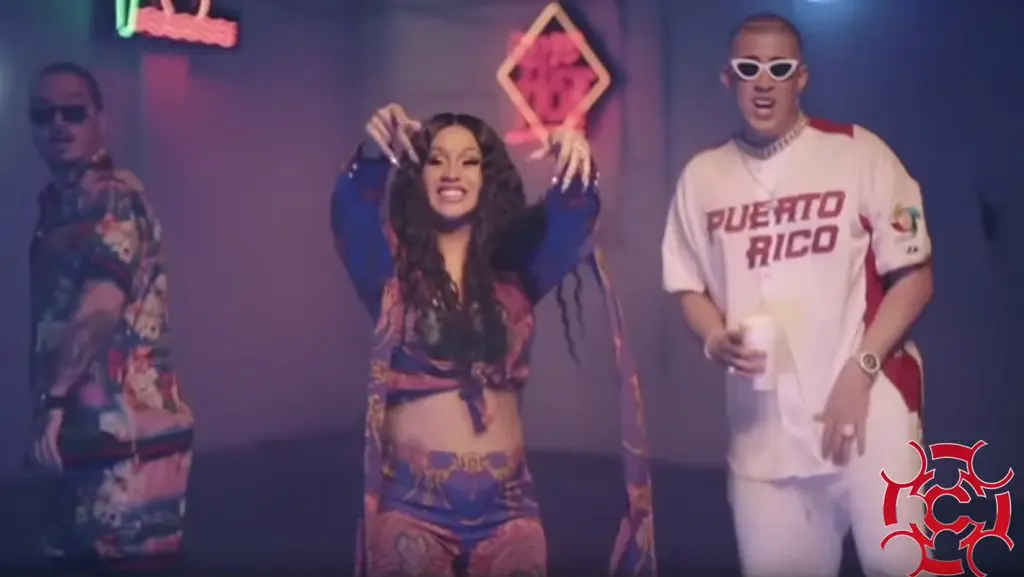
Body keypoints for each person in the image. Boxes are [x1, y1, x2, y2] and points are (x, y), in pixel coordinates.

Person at [661, 13, 934, 577]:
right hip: (763, 436)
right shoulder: (703, 176)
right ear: (728, 78)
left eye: (779, 69)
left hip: (868, 412)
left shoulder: (858, 153)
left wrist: (860, 371)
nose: (764, 82)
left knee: (900, 565)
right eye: (749, 68)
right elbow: (687, 285)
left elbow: (916, 278)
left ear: (801, 78)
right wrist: (714, 337)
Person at [331, 104, 656, 577]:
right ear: (418, 177)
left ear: (487, 179)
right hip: (413, 509)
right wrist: (372, 157)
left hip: (509, 510)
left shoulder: (516, 274)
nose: (452, 173)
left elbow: (574, 223)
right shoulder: (391, 274)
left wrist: (575, 164)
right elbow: (351, 215)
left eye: (468, 161)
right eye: (436, 160)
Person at [27, 61, 194, 573]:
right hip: (80, 448)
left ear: (99, 119)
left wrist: (53, 401)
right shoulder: (60, 205)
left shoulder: (113, 197)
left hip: (125, 455)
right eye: (44, 114)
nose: (58, 124)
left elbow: (101, 306)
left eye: (73, 112)